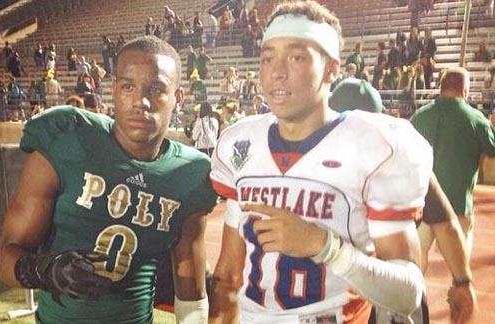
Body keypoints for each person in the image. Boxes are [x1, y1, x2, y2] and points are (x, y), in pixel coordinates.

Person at [208, 1, 432, 323]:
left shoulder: (372, 145)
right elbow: (228, 276)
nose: (276, 71)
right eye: (267, 57)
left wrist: (324, 246)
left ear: (332, 69)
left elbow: (407, 294)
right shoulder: (239, 142)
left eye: (296, 57)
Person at [0, 36, 218, 324]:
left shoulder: (190, 172)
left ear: (178, 98)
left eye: (157, 89)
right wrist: (44, 270)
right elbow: (7, 257)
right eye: (128, 86)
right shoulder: (69, 137)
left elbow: (191, 290)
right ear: (114, 91)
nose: (141, 102)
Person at [331, 77, 478, 324]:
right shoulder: (395, 154)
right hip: (390, 291)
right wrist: (462, 282)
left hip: (351, 295)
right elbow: (446, 223)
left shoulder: (316, 157)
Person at [411, 67, 495, 264]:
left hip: (423, 201)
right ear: (464, 90)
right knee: (459, 258)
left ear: (440, 88)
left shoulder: (420, 116)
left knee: (417, 255)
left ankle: (417, 294)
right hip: (458, 203)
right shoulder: (476, 119)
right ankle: (459, 288)